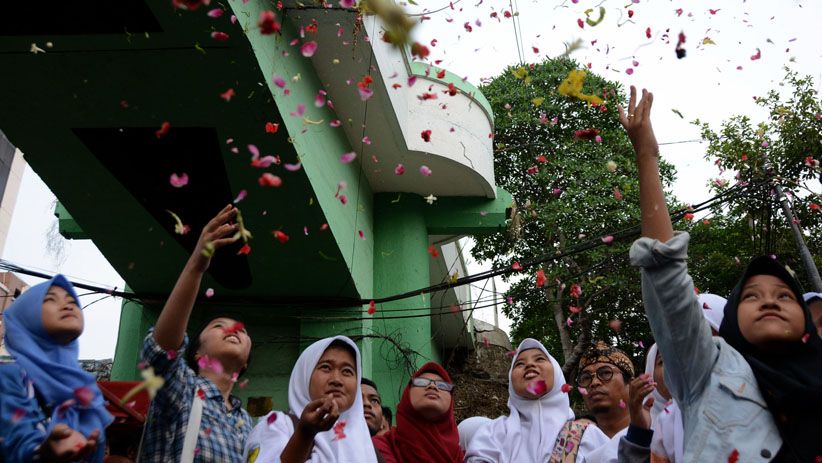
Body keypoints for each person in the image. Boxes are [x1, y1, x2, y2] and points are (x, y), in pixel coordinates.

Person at [624, 85, 822, 461]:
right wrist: (647, 155)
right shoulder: (706, 372)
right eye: (751, 296)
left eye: (784, 296)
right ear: (730, 320)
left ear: (807, 324)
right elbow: (666, 274)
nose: (769, 301)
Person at [140, 205, 253, 462]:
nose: (234, 330)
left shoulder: (246, 422)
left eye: (242, 331)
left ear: (246, 362)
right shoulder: (182, 389)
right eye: (218, 325)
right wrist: (196, 266)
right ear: (198, 352)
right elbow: (160, 352)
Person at [0, 275, 112, 462]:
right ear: (27, 315)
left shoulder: (87, 394)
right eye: (51, 299)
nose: (68, 305)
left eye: (72, 301)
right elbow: (15, 442)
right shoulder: (9, 378)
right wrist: (43, 453)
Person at [465, 339, 609, 463]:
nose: (529, 365)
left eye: (540, 359)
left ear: (557, 374)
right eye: (519, 364)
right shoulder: (492, 434)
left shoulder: (587, 435)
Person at [244, 336, 378, 463]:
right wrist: (305, 434)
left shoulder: (366, 444)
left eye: (347, 371)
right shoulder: (277, 425)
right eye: (326, 367)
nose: (336, 380)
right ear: (304, 375)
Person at [373, 362, 463, 463]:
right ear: (407, 392)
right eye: (421, 382)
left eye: (442, 385)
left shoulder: (463, 456)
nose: (433, 386)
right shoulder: (377, 449)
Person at [575, 341, 643, 463]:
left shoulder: (656, 430)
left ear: (631, 384)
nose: (594, 382)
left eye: (605, 373)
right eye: (586, 378)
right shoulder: (573, 441)